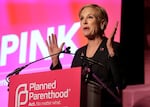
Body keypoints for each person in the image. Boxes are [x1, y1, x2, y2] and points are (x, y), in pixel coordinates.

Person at [46, 4, 122, 107]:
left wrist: (111, 53)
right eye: (82, 18)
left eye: (90, 17)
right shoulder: (79, 53)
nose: (84, 21)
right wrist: (55, 62)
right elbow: (68, 88)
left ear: (102, 23)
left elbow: (122, 85)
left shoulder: (115, 48)